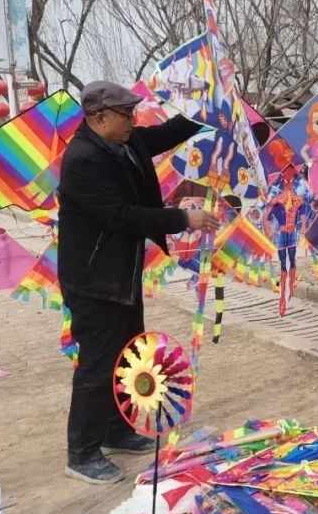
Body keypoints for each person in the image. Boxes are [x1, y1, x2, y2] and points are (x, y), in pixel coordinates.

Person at [58, 80, 218, 484]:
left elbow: (162, 134)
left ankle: (118, 430)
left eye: (133, 113)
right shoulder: (82, 159)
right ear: (98, 118)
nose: (134, 120)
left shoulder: (123, 142)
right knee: (97, 365)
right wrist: (182, 218)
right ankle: (82, 452)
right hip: (94, 280)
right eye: (126, 114)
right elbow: (121, 215)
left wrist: (204, 114)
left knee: (127, 355)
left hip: (121, 275)